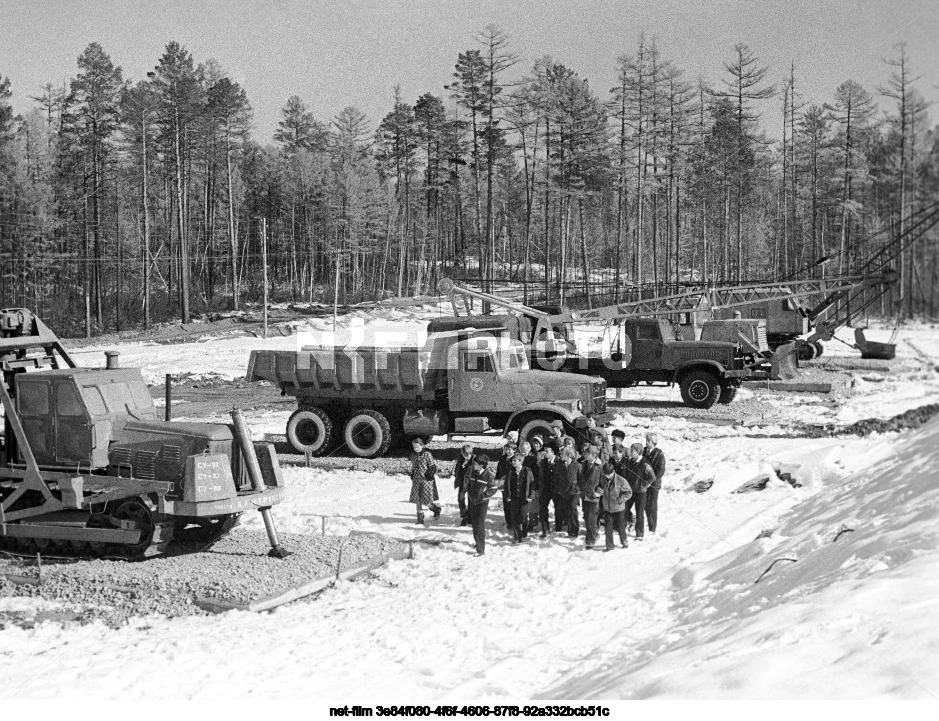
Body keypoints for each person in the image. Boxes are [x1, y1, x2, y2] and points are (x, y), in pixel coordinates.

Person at [467, 453, 500, 556]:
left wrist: (483, 496)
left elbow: (493, 489)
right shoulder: (474, 472)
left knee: (479, 524)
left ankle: (481, 549)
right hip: (473, 502)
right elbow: (469, 484)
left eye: (475, 464)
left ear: (481, 465)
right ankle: (477, 543)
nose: (473, 465)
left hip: (482, 503)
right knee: (474, 524)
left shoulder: (488, 475)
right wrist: (470, 494)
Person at [621, 443, 655, 540]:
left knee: (639, 513)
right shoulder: (630, 462)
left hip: (641, 493)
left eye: (632, 451)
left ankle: (639, 533)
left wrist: (643, 485)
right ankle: (628, 523)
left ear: (638, 452)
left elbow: (652, 477)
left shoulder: (645, 463)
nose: (630, 452)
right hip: (630, 491)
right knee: (624, 508)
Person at [598, 462, 632, 550]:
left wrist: (621, 499)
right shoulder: (602, 478)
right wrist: (599, 490)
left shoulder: (621, 480)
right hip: (607, 508)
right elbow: (599, 487)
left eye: (609, 474)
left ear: (613, 472)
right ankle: (609, 546)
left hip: (618, 508)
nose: (607, 476)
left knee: (620, 527)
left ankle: (624, 541)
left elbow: (629, 492)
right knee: (608, 528)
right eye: (606, 474)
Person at [408, 437, 441, 525]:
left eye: (417, 447)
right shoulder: (413, 455)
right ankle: (420, 520)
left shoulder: (427, 454)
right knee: (417, 500)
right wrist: (412, 473)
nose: (416, 449)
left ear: (422, 446)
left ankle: (436, 509)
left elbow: (432, 466)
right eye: (414, 447)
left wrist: (429, 474)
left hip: (426, 480)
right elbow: (414, 466)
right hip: (416, 480)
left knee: (425, 500)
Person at [505, 453, 534, 543]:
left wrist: (530, 495)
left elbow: (532, 484)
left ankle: (524, 533)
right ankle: (517, 537)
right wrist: (508, 495)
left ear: (520, 461)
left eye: (515, 461)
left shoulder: (527, 471)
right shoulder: (510, 471)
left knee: (523, 517)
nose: (513, 462)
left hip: (524, 498)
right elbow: (507, 484)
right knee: (514, 518)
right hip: (514, 498)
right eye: (512, 460)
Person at [579, 445, 603, 549]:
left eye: (587, 453)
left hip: (594, 495)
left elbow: (603, 481)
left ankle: (590, 540)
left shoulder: (600, 466)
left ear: (594, 455)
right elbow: (580, 478)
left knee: (591, 518)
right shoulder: (584, 464)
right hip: (585, 494)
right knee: (586, 515)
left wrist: (599, 491)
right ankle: (594, 534)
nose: (585, 455)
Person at [643, 433, 666, 535]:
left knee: (652, 505)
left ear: (653, 442)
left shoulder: (659, 454)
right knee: (645, 504)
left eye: (649, 441)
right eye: (646, 440)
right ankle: (648, 523)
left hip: (654, 483)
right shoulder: (643, 451)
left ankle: (652, 527)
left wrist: (651, 481)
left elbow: (660, 470)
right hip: (644, 482)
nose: (647, 442)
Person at [557, 447, 583, 538]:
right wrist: (559, 488)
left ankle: (575, 529)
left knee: (573, 508)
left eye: (562, 454)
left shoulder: (577, 465)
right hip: (564, 492)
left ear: (568, 455)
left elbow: (581, 479)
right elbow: (558, 478)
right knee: (567, 510)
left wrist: (576, 488)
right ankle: (570, 529)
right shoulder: (560, 465)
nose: (560, 455)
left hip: (574, 492)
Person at [540, 445, 562, 536]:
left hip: (557, 490)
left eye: (547, 451)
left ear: (552, 452)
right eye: (544, 451)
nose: (545, 453)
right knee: (543, 509)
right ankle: (545, 529)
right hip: (546, 489)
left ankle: (558, 527)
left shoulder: (560, 461)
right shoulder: (543, 462)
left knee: (559, 508)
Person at [496, 441, 517, 527]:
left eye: (510, 450)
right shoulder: (502, 458)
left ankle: (514, 521)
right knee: (505, 502)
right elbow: (499, 469)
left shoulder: (516, 459)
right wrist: (497, 478)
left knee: (512, 503)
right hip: (503, 483)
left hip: (512, 484)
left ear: (514, 450)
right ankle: (508, 521)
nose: (507, 451)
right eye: (506, 449)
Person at [453, 443, 475, 526]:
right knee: (460, 498)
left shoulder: (475, 460)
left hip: (471, 483)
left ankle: (470, 517)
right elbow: (457, 469)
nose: (465, 457)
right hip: (462, 482)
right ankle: (464, 515)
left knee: (471, 500)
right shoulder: (461, 459)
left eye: (467, 455)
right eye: (463, 454)